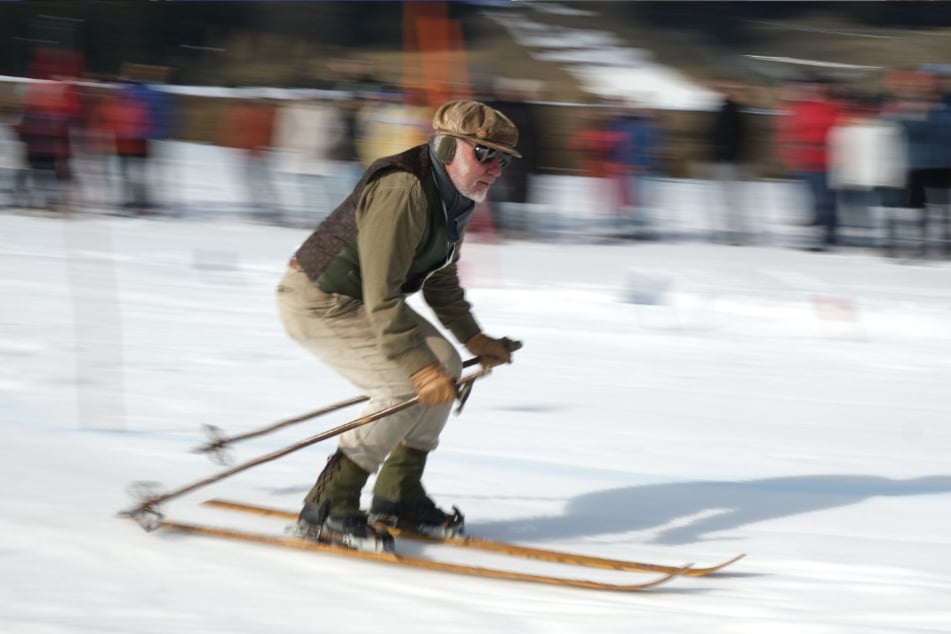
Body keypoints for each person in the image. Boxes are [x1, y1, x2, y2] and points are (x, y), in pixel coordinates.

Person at [275, 99, 522, 553]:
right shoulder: (404, 188)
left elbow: (441, 279)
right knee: (402, 384)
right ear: (448, 146)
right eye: (483, 153)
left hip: (362, 300)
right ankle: (329, 507)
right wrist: (416, 368)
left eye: (502, 159)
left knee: (446, 362)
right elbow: (381, 290)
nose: (494, 168)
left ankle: (398, 495)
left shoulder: (457, 194)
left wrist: (474, 338)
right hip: (318, 300)